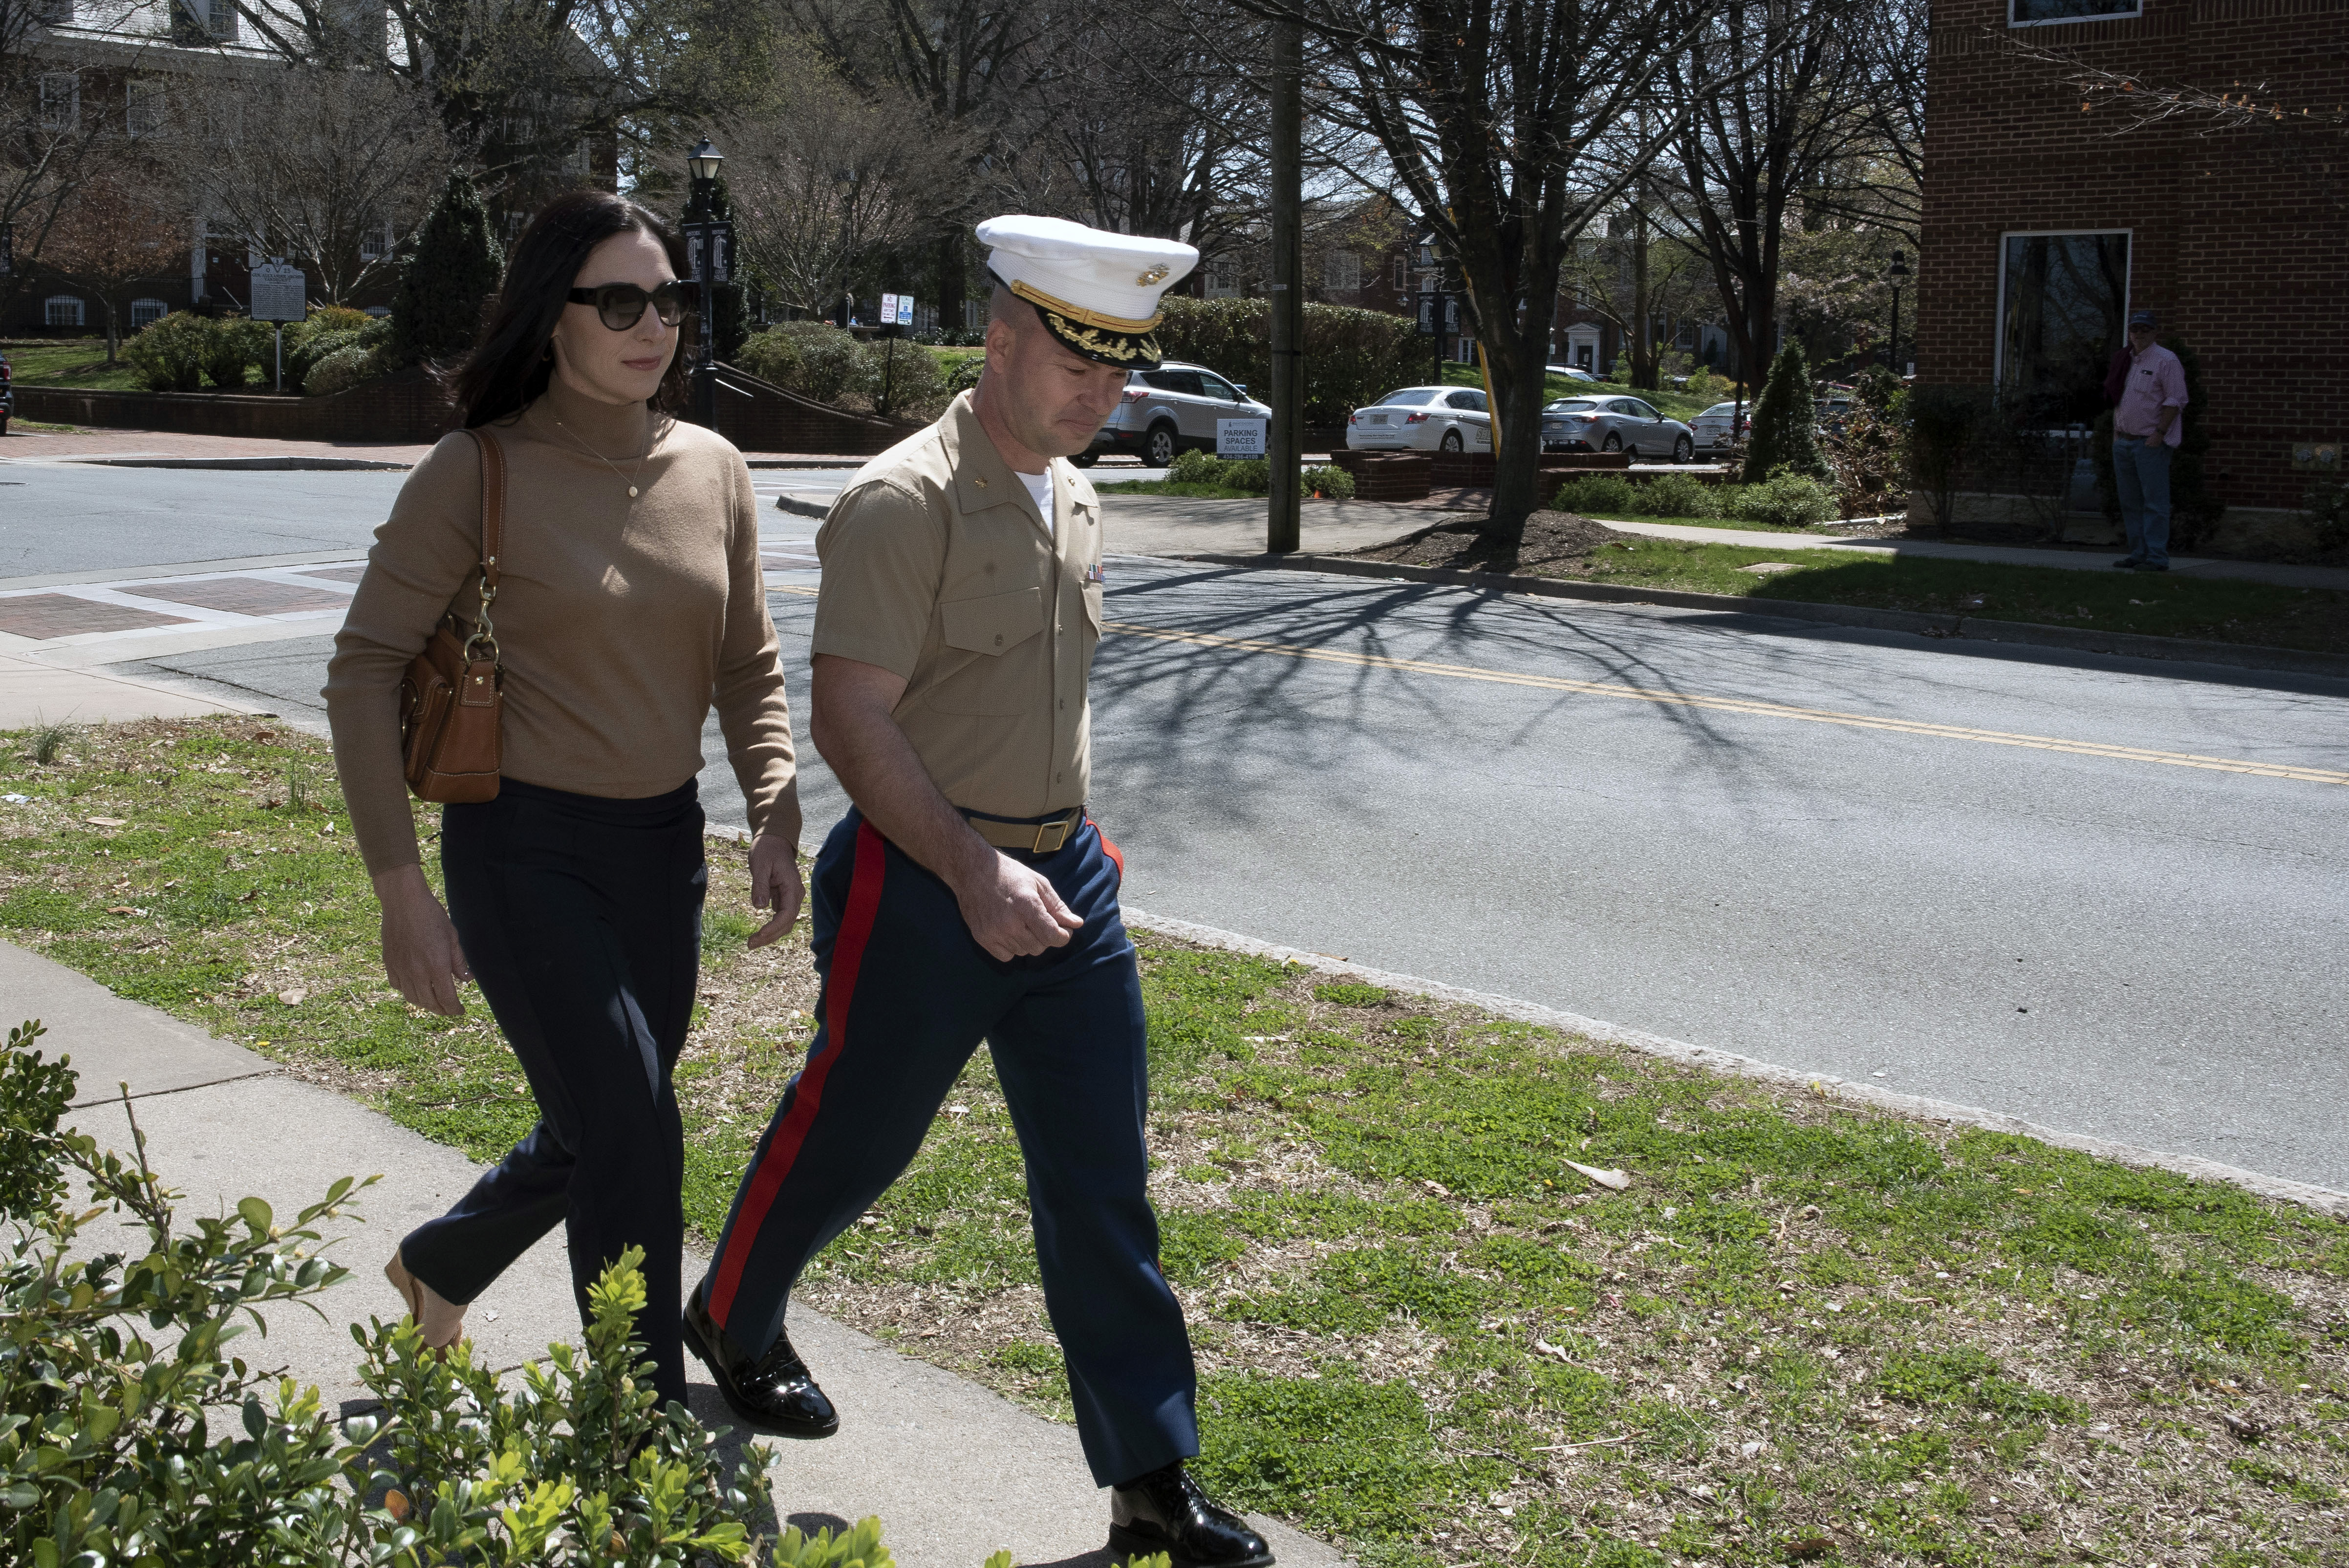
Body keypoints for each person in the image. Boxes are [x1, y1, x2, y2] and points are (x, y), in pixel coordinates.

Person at [685, 215, 1272, 1568]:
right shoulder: (904, 502)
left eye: (1120, 371)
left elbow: (1035, 698)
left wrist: (1071, 844)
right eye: (1076, 362)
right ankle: (731, 1307)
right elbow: (851, 722)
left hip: (1061, 883)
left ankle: (1146, 1479)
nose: (1101, 394)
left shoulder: (1071, 488)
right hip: (922, 878)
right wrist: (971, 865)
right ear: (999, 335)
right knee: (857, 1136)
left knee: (1099, 1179)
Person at [323, 190, 803, 1412]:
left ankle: (439, 1263)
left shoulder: (716, 466)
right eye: (622, 301)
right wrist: (399, 890)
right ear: (554, 317)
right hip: (523, 849)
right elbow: (364, 666)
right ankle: (632, 1430)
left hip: (661, 854)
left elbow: (747, 660)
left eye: (670, 301)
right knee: (633, 1129)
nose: (656, 327)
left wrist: (774, 806)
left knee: (606, 1118)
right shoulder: (476, 470)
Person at [2109, 307, 2189, 572]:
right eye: (2135, 329)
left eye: (2145, 330)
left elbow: (2176, 400)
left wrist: (2160, 434)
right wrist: (2116, 433)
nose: (2139, 334)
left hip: (2150, 444)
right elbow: (2117, 396)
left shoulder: (2166, 360)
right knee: (2131, 502)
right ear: (2129, 332)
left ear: (2155, 333)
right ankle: (2138, 553)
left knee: (2155, 502)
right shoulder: (2125, 359)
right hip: (2123, 443)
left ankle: (2157, 557)